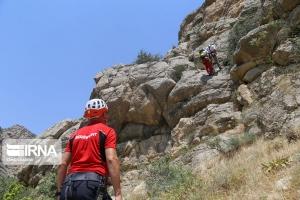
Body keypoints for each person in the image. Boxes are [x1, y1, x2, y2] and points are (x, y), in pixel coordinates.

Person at [56, 98, 122, 200]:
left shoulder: (74, 135)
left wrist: (59, 192)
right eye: (106, 113)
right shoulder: (107, 131)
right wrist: (118, 193)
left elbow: (62, 164)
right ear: (103, 113)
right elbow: (111, 159)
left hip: (68, 187)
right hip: (91, 186)